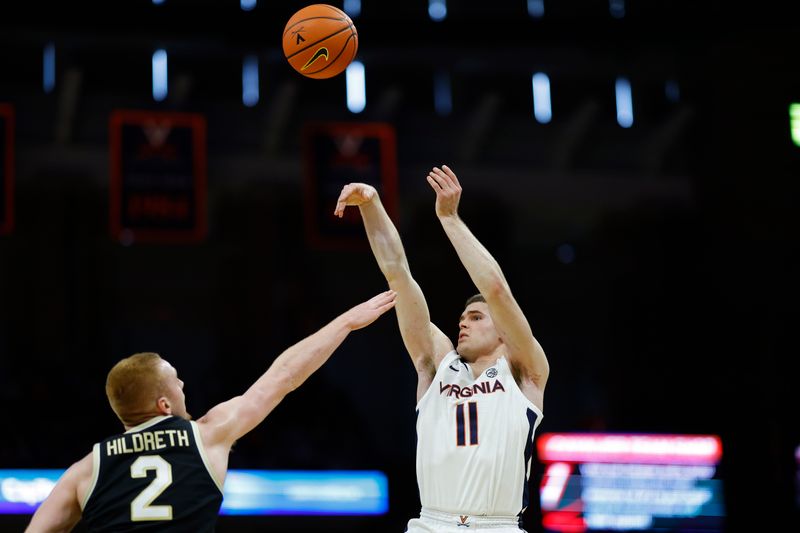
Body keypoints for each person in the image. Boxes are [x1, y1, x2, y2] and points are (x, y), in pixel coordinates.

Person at [25, 290, 397, 533]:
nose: (184, 384)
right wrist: (346, 321)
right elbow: (283, 376)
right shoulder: (207, 435)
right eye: (176, 380)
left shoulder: (87, 468)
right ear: (164, 404)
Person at [335, 165, 549, 532]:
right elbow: (397, 273)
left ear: (504, 333)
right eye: (463, 317)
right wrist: (372, 206)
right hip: (431, 524)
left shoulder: (523, 370)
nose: (463, 322)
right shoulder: (436, 365)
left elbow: (496, 290)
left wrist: (448, 218)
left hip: (498, 526)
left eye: (477, 317)